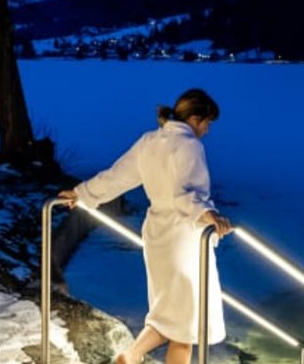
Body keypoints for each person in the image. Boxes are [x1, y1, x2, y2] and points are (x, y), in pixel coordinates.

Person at [57, 88, 233, 364]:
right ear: (195, 118)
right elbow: (186, 195)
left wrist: (83, 193)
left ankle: (130, 356)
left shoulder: (150, 141)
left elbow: (117, 176)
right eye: (207, 123)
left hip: (157, 234)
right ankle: (130, 356)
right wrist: (210, 214)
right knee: (186, 325)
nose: (207, 130)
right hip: (183, 239)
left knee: (168, 314)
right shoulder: (189, 145)